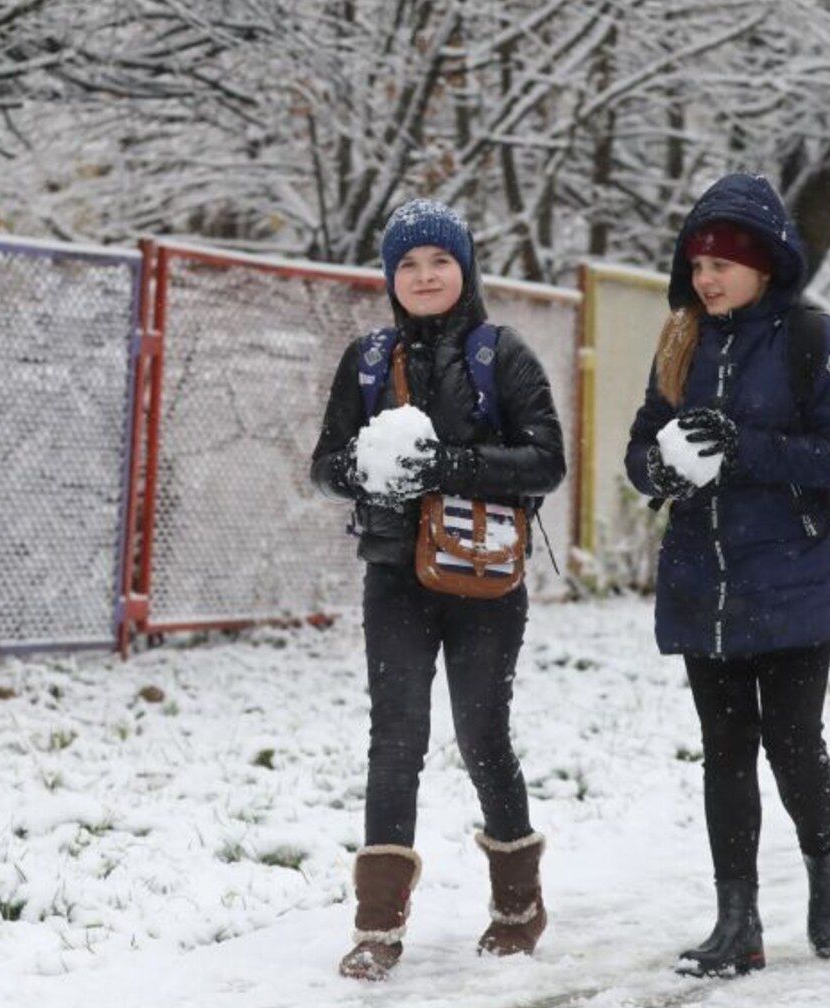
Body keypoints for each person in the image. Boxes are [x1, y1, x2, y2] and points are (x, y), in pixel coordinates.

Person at [309, 198, 566, 980]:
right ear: (392, 278)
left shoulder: (502, 354)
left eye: (439, 263)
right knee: (395, 738)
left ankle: (519, 906)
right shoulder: (365, 358)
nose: (424, 277)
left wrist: (446, 465)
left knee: (483, 733)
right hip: (395, 575)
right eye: (409, 265)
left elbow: (546, 461)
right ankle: (377, 928)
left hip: (484, 577)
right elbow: (325, 464)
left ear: (465, 270)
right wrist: (365, 470)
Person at [624, 173, 830, 978]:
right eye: (697, 263)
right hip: (707, 575)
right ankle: (739, 922)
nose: (707, 277)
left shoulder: (810, 336)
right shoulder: (679, 340)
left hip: (794, 572)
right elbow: (638, 449)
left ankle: (827, 861)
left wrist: (740, 445)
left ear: (766, 264)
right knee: (724, 748)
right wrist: (663, 470)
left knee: (793, 743)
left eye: (724, 262)